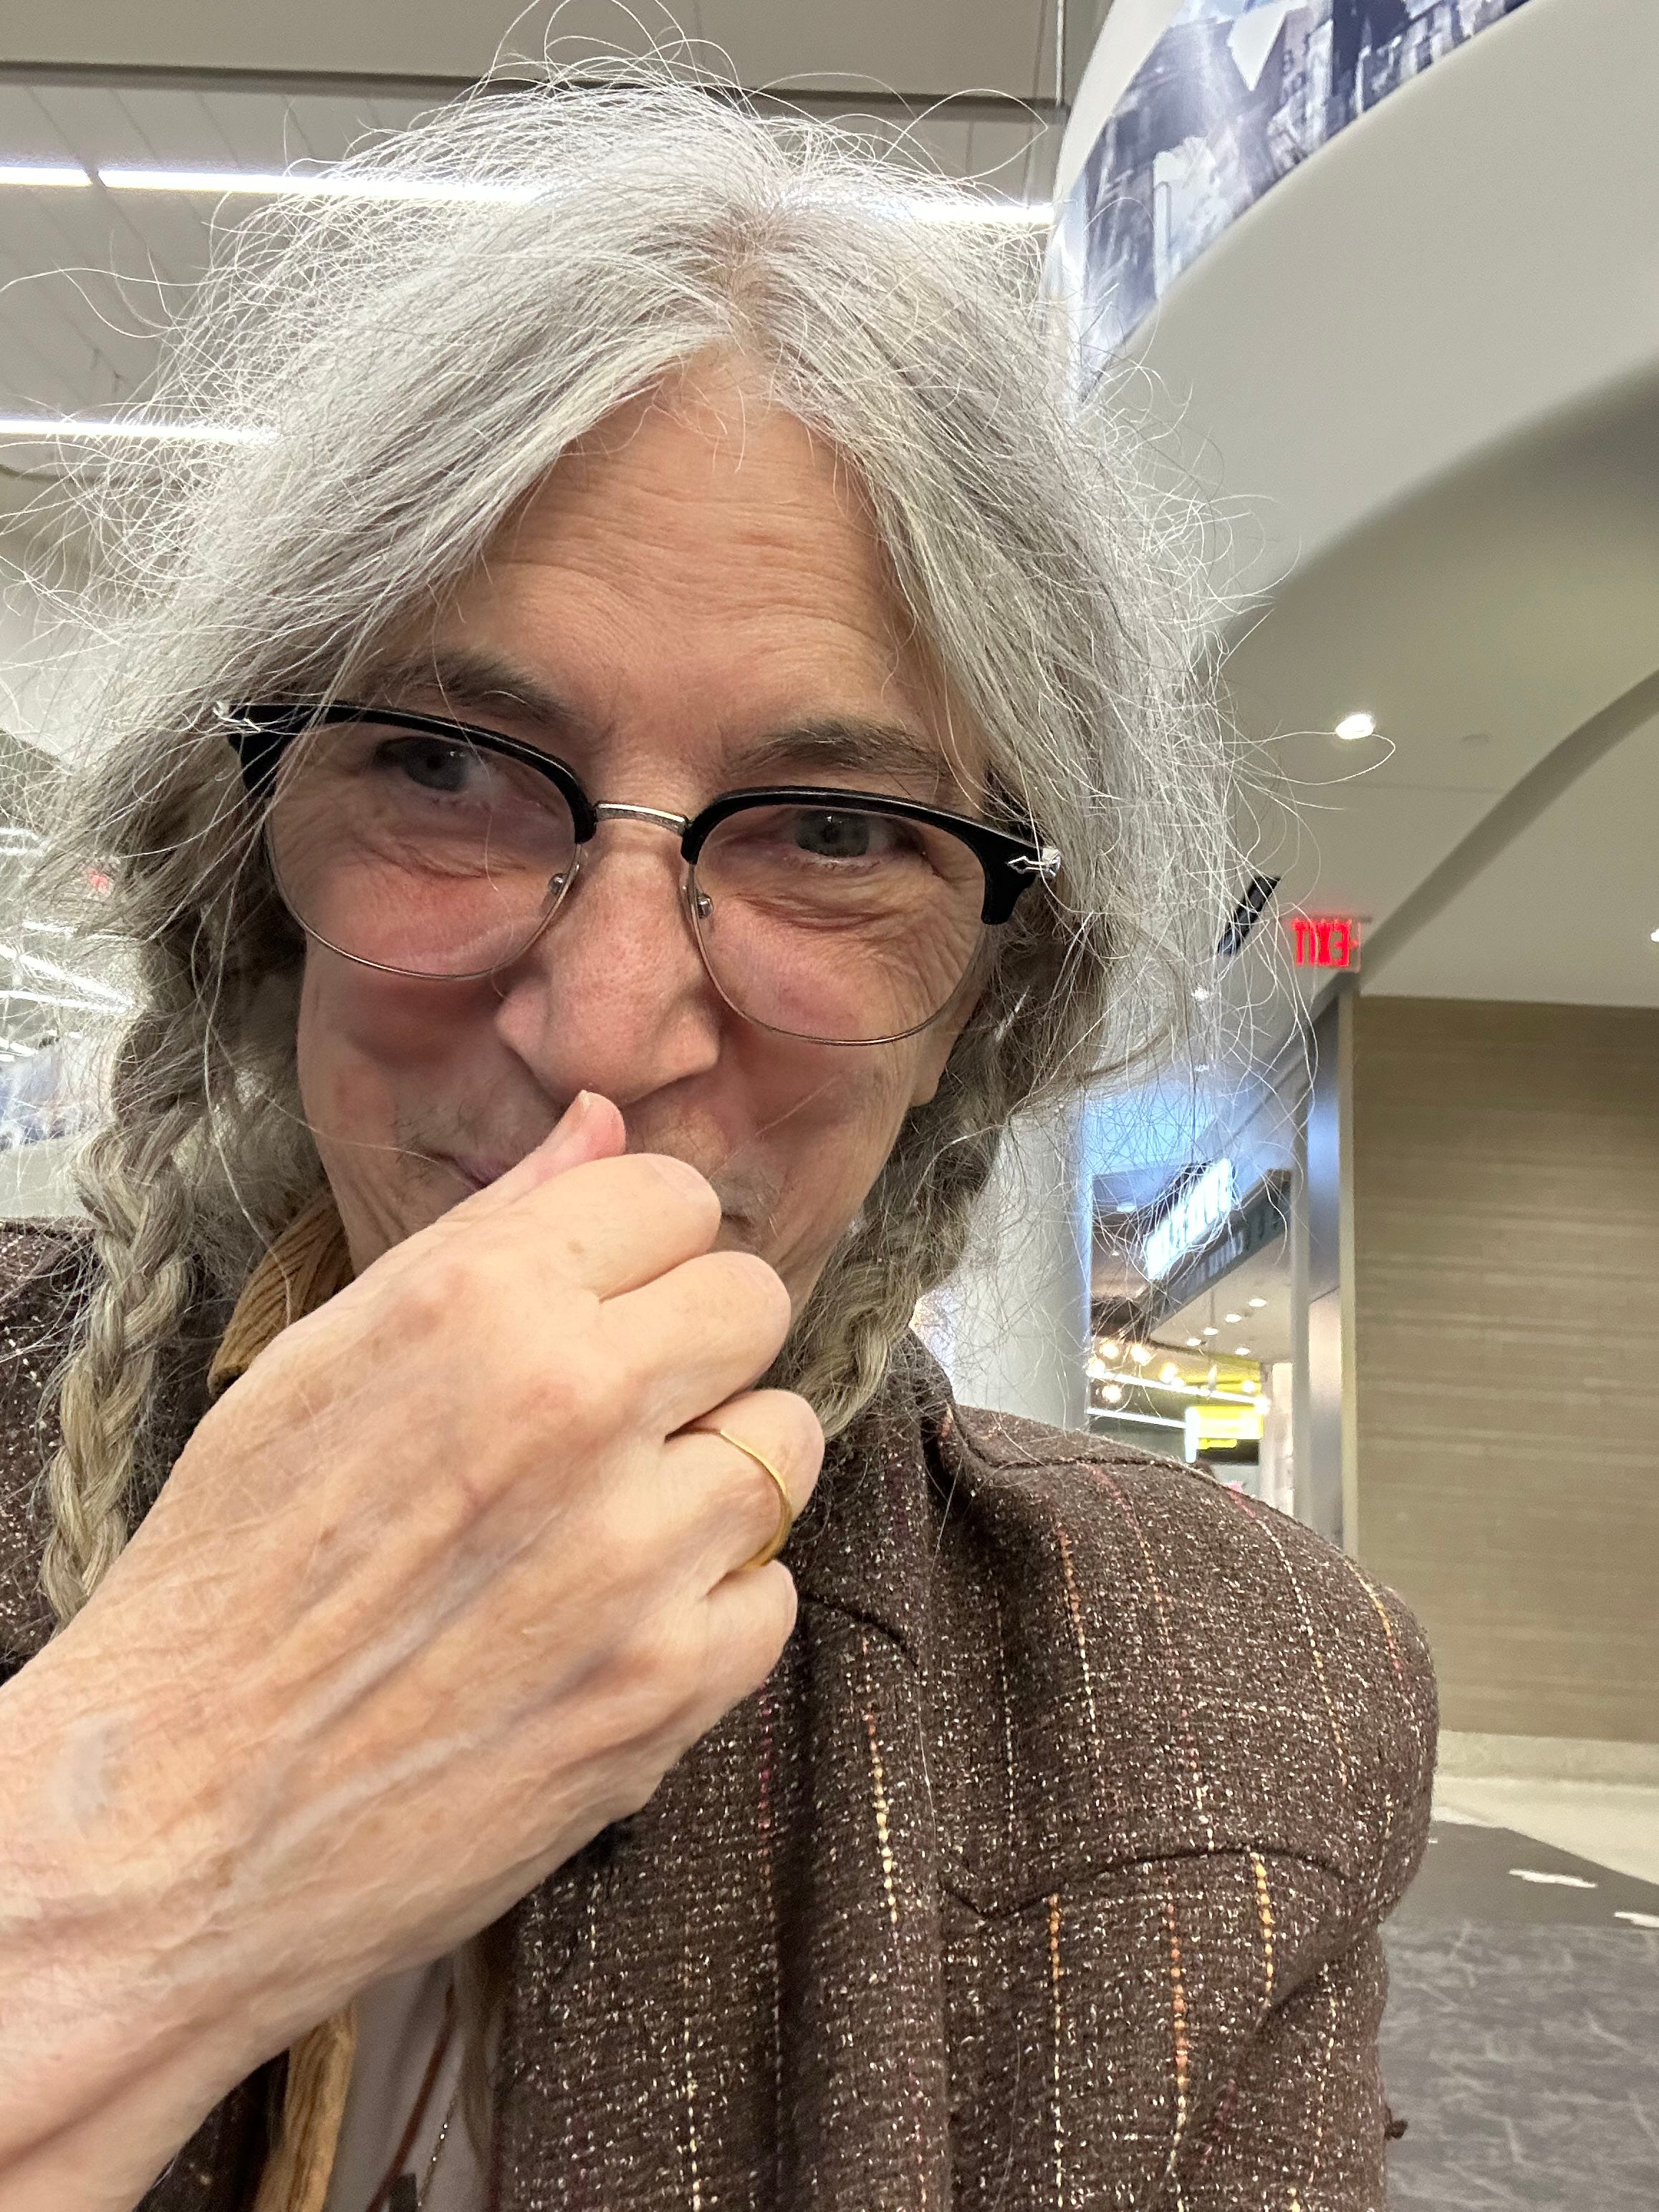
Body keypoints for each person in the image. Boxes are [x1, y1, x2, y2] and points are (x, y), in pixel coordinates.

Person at [0, 74, 1435, 2212]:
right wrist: (150, 1835)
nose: (600, 1027)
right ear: (251, 867)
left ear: (988, 1004)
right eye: (446, 769)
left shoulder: (1219, 1705)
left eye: (834, 835)